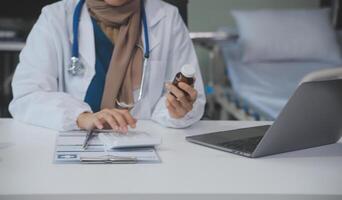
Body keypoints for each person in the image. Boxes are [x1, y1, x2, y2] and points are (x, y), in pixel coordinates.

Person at [9, 0, 205, 133]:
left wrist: (176, 111)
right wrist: (80, 116)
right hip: (75, 150)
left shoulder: (166, 18)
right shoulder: (56, 17)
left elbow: (188, 97)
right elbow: (27, 96)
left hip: (144, 148)